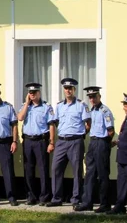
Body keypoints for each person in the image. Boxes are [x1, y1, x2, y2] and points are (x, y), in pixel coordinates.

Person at [47, 78, 91, 207]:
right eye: (66, 89)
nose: (68, 91)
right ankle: (56, 198)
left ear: (74, 90)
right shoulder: (59, 106)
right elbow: (55, 122)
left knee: (77, 171)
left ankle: (76, 199)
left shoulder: (81, 105)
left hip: (75, 141)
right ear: (64, 90)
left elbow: (88, 124)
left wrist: (81, 135)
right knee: (56, 169)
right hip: (61, 141)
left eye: (70, 89)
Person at [75, 86, 115, 213]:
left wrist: (106, 145)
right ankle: (87, 202)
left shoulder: (105, 111)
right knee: (89, 174)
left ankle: (105, 204)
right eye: (90, 97)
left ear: (99, 97)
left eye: (94, 96)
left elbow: (110, 131)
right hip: (93, 143)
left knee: (103, 174)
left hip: (101, 142)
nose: (92, 99)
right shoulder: (90, 111)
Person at [17, 82, 56, 206]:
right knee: (28, 169)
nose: (32, 95)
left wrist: (51, 142)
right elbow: (20, 118)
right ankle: (31, 196)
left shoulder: (46, 107)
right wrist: (27, 104)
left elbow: (51, 125)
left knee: (43, 169)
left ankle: (44, 197)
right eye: (30, 93)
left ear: (39, 93)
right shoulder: (25, 106)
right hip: (28, 140)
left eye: (34, 93)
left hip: (41, 141)